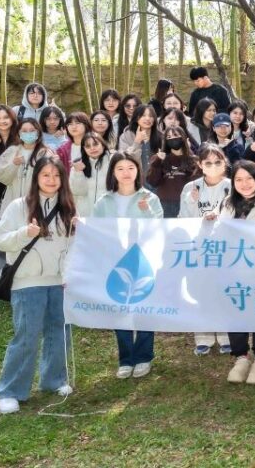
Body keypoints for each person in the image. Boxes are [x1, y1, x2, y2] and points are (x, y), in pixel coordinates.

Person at [0, 156, 77, 414]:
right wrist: (24, 234)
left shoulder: (67, 208)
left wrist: (69, 273)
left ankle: (54, 380)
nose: (51, 180)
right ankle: (10, 390)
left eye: (56, 175)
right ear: (36, 177)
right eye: (46, 175)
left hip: (59, 283)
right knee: (27, 336)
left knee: (59, 332)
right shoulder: (19, 206)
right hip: (27, 283)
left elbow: (73, 248)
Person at [93, 152, 163, 379]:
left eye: (130, 168)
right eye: (120, 168)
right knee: (119, 309)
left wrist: (147, 211)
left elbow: (160, 229)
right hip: (114, 262)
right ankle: (125, 359)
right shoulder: (104, 202)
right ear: (113, 172)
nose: (126, 173)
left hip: (143, 260)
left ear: (138, 171)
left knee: (144, 308)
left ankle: (143, 356)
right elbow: (96, 232)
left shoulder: (150, 198)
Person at [213, 160, 255, 385]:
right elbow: (218, 234)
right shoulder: (226, 203)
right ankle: (240, 357)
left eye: (249, 179)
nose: (244, 184)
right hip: (232, 269)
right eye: (239, 179)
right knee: (236, 311)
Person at [178, 144, 232, 356]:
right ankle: (203, 337)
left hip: (226, 248)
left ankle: (226, 335)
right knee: (200, 291)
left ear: (224, 163)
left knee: (223, 290)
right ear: (200, 164)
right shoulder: (190, 188)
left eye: (218, 162)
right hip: (199, 247)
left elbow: (239, 216)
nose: (213, 166)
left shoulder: (232, 186)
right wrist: (193, 204)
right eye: (208, 163)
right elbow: (183, 219)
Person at [0, 118, 55, 215]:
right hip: (12, 206)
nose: (28, 133)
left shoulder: (46, 153)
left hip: (37, 207)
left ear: (38, 132)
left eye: (32, 130)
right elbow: (0, 176)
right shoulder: (12, 151)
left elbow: (53, 180)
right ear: (19, 133)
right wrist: (13, 165)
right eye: (24, 131)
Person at [146, 127, 198, 217]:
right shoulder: (159, 158)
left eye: (175, 135)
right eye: (169, 137)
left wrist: (189, 154)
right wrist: (158, 161)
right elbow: (153, 182)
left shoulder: (193, 160)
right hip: (164, 203)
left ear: (183, 137)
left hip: (187, 202)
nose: (172, 139)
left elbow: (196, 182)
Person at [0, 105, 17, 273]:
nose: (2, 121)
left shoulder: (19, 139)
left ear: (12, 119)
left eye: (5, 117)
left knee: (13, 228)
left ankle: (12, 262)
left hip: (16, 190)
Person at [69, 132, 111, 218]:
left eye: (95, 144)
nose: (92, 148)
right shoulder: (78, 164)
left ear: (103, 145)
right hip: (85, 215)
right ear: (83, 149)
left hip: (108, 214)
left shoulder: (113, 162)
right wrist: (78, 172)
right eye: (88, 146)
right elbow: (77, 192)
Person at [118, 105, 162, 178]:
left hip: (156, 180)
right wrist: (137, 142)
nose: (147, 118)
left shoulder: (161, 137)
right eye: (143, 115)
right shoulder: (126, 136)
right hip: (135, 179)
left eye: (151, 116)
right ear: (136, 118)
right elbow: (123, 159)